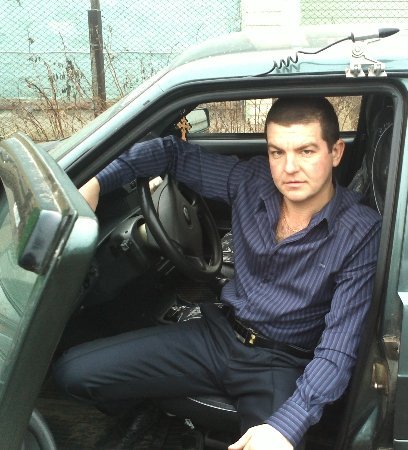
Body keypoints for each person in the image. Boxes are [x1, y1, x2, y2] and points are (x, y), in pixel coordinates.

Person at [53, 96, 382, 450]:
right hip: (219, 335)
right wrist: (98, 181)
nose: (289, 168)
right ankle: (157, 420)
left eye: (306, 151)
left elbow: (338, 349)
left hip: (280, 363)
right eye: (277, 152)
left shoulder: (360, 232)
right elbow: (169, 153)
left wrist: (286, 425)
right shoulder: (252, 181)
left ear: (335, 152)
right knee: (73, 373)